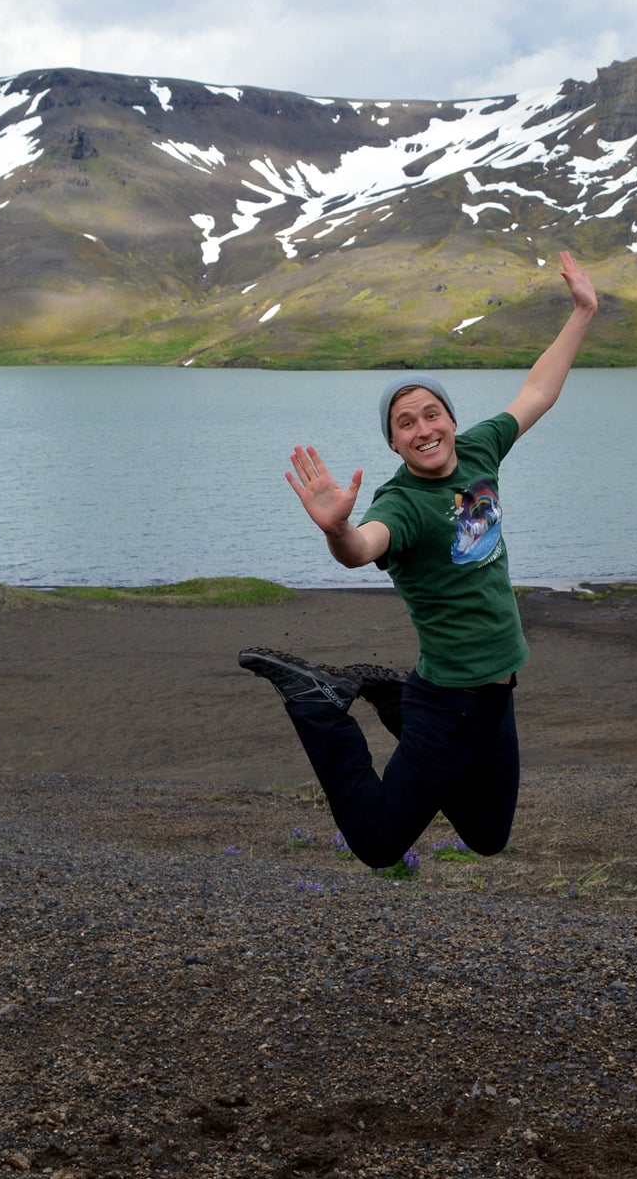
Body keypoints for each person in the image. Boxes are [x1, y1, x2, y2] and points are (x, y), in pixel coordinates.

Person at [239, 251, 598, 869]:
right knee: (379, 843)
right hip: (451, 700)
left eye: (432, 414)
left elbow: (538, 390)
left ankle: (391, 698)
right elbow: (363, 548)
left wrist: (583, 312)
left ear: (452, 420)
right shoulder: (403, 504)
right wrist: (338, 528)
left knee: (487, 833)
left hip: (497, 692)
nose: (423, 429)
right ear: (393, 441)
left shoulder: (481, 449)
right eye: (405, 424)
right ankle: (317, 703)